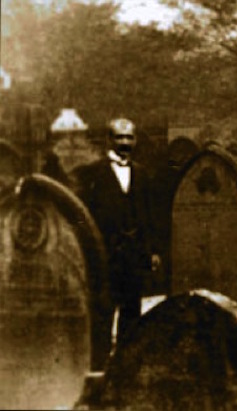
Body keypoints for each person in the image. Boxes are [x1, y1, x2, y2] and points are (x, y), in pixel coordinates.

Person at [75, 118, 160, 353]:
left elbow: (149, 215)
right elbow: (83, 215)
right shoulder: (93, 174)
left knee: (132, 311)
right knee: (103, 310)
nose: (124, 143)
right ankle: (99, 364)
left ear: (136, 141)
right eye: (119, 137)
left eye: (129, 137)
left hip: (134, 255)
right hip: (106, 255)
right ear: (108, 140)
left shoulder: (142, 174)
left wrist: (152, 250)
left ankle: (126, 362)